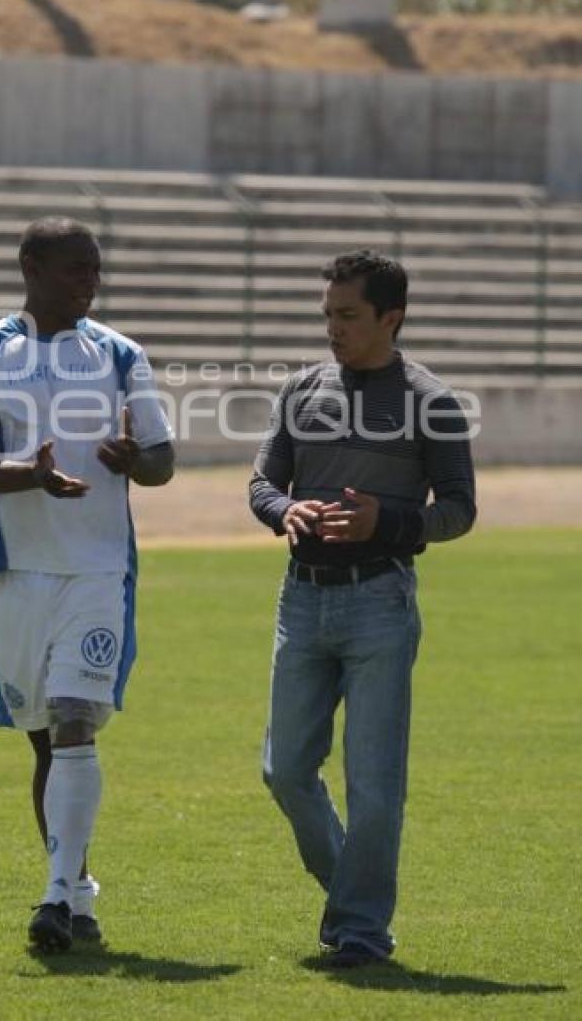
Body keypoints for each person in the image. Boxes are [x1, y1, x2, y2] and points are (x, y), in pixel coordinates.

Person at [0, 217, 174, 953]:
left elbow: (163, 462)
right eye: (77, 270)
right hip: (15, 571)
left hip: (98, 570)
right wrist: (30, 474)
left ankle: (53, 898)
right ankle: (78, 892)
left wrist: (136, 458)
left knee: (76, 722)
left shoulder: (122, 354)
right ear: (31, 266)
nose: (90, 284)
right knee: (45, 743)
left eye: (96, 271)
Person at [249, 249, 476, 968]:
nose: (333, 329)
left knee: (374, 781)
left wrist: (390, 520)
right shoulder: (301, 389)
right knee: (284, 770)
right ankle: (353, 889)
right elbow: (261, 482)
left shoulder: (431, 400)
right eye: (327, 315)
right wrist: (284, 509)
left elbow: (461, 510)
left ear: (391, 318)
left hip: (381, 599)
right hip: (301, 599)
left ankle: (360, 928)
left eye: (347, 316)